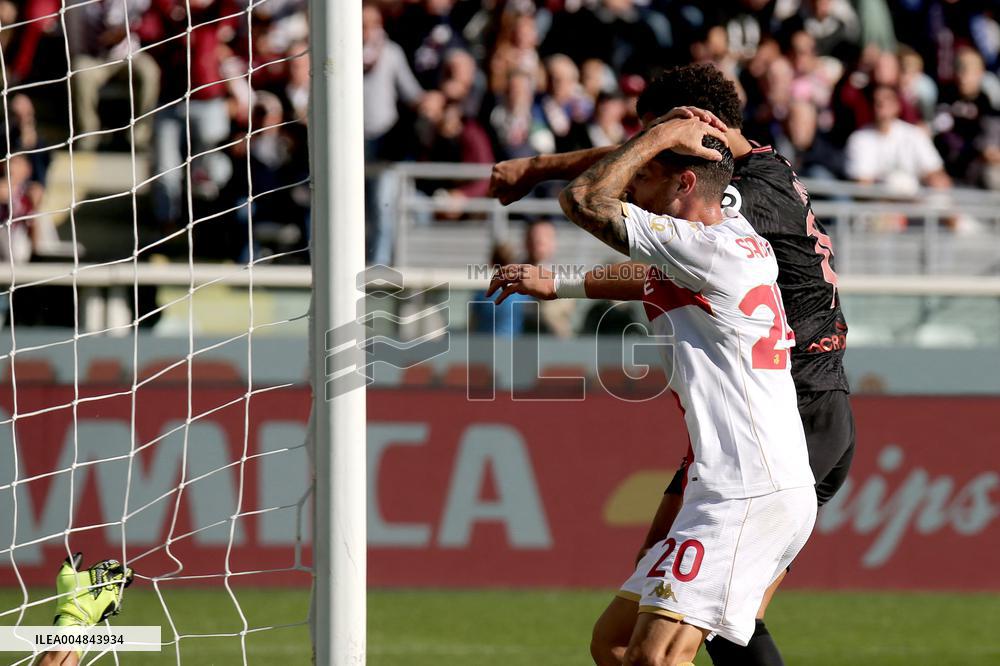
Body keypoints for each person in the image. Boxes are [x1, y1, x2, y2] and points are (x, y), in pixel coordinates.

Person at [488, 64, 856, 666]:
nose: (632, 182)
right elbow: (664, 268)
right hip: (753, 456)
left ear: (687, 158)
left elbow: (589, 200)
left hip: (770, 450)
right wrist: (562, 283)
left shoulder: (724, 220)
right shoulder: (741, 208)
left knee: (669, 647)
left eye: (650, 156)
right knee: (621, 637)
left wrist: (646, 140)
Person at [35, 552, 135, 666]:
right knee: (58, 658)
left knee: (61, 657)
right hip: (73, 629)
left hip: (70, 628)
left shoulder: (67, 579)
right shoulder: (111, 599)